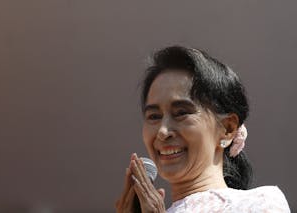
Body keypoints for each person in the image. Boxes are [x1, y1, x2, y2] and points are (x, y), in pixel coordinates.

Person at [115, 46, 291, 212]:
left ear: (228, 129)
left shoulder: (259, 204)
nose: (162, 131)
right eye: (154, 116)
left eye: (181, 113)